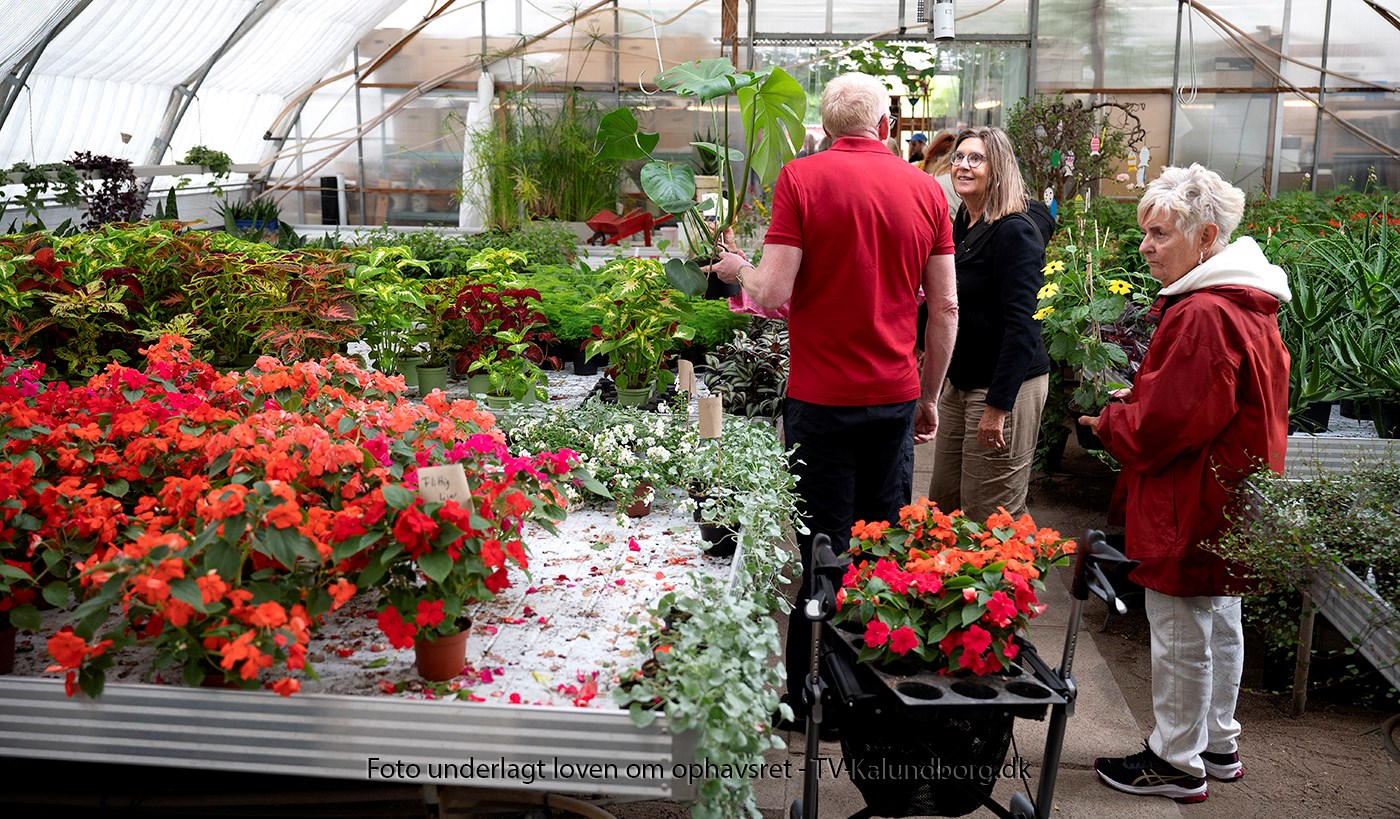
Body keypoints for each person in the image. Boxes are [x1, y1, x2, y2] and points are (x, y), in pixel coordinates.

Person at [703, 72, 958, 730]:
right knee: (878, 548)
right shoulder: (928, 190)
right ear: (885, 127)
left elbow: (769, 290)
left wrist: (736, 270)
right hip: (894, 397)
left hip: (820, 400)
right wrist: (929, 394)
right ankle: (870, 693)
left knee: (822, 545)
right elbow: (947, 308)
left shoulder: (803, 178)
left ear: (824, 126)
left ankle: (806, 699)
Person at [1083, 163, 1291, 803]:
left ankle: (1176, 758)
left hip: (1190, 496)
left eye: (1158, 234)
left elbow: (1165, 425)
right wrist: (1143, 394)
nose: (1144, 246)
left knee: (1180, 629)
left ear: (1205, 237)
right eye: (1144, 232)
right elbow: (1206, 400)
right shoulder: (1246, 304)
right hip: (1229, 491)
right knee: (1220, 617)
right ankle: (1217, 741)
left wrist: (1111, 419)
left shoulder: (1203, 313)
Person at [926, 127, 1054, 522]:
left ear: (997, 167)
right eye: (959, 158)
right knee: (942, 506)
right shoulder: (966, 218)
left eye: (975, 159)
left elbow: (1023, 325)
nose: (962, 166)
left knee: (989, 517)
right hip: (961, 382)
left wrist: (999, 407)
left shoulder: (1013, 231)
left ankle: (1009, 584)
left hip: (1003, 386)